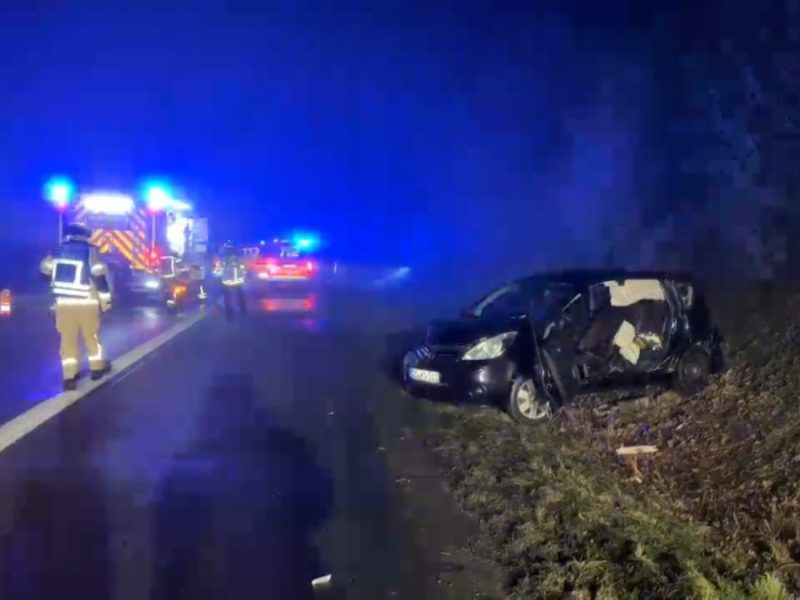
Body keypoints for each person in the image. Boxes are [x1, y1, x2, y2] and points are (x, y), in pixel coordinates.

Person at [40, 223, 113, 391]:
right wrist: (106, 304)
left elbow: (44, 272)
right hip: (87, 303)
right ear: (85, 236)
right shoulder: (91, 252)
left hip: (64, 304)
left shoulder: (57, 251)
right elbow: (100, 279)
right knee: (91, 338)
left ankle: (69, 377)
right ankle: (97, 369)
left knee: (67, 341)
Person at [213, 241, 247, 317]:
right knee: (239, 296)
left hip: (227, 282)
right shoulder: (238, 259)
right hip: (238, 282)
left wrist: (217, 275)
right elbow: (243, 270)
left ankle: (230, 314)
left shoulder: (223, 261)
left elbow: (217, 271)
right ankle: (242, 311)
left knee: (228, 299)